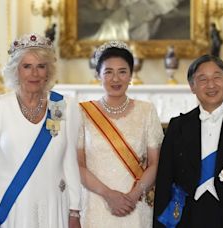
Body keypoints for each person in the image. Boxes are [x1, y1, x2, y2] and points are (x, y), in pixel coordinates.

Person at [0, 33, 82, 227]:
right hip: (10, 205)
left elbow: (70, 160)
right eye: (27, 66)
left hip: (53, 204)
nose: (34, 74)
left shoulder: (62, 105)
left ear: (48, 71)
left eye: (41, 66)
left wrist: (75, 210)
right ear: (16, 70)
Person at [153, 54, 223, 228]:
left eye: (217, 77)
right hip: (187, 215)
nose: (211, 85)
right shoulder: (178, 127)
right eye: (202, 79)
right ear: (192, 86)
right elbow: (164, 179)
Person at [77, 40, 164, 228]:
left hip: (135, 206)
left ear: (131, 75)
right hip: (96, 204)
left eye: (122, 72)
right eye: (108, 72)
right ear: (98, 75)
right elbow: (79, 166)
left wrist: (133, 196)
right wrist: (109, 195)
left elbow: (155, 163)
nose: (115, 79)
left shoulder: (146, 111)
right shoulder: (83, 113)